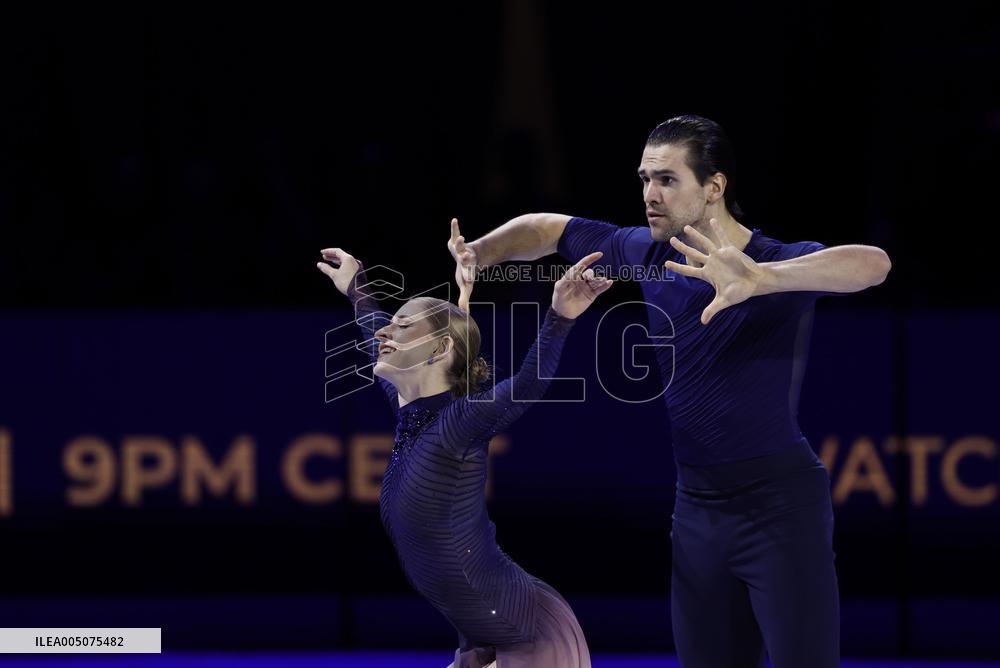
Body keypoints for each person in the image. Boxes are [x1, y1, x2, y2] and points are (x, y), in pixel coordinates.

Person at [449, 115, 892, 667]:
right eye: (643, 179)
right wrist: (481, 254)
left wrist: (760, 279)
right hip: (697, 510)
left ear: (714, 187)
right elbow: (547, 230)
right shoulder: (650, 256)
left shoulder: (778, 261)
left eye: (666, 179)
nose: (649, 195)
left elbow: (872, 265)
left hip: (782, 508)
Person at [317, 229, 612, 667]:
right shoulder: (413, 416)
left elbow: (528, 385)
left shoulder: (460, 423)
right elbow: (371, 333)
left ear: (438, 350)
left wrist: (560, 316)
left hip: (528, 634)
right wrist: (357, 285)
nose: (386, 333)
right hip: (483, 636)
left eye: (402, 326)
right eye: (392, 324)